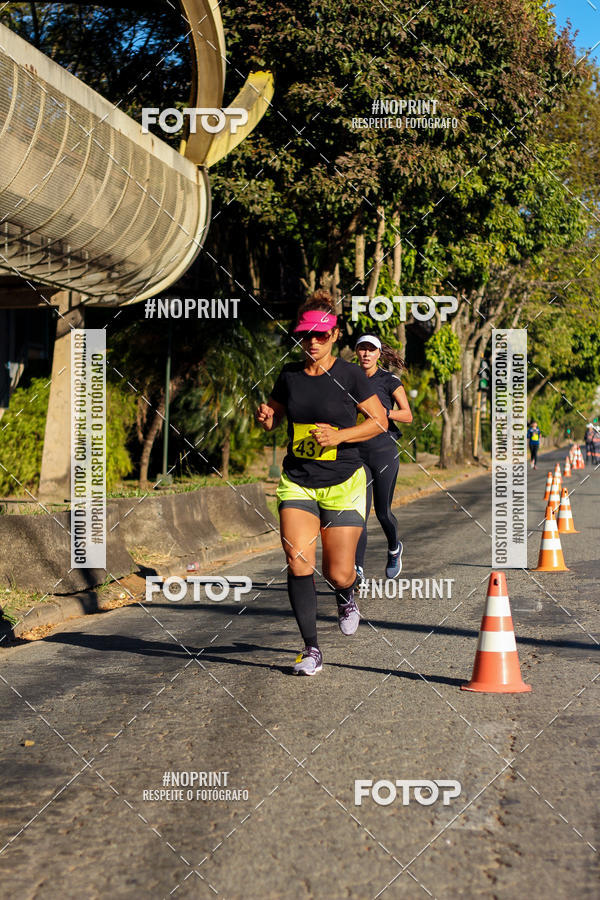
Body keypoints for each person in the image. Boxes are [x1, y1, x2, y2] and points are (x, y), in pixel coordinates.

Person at [255, 291, 388, 676]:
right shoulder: (290, 377)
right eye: (305, 336)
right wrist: (267, 418)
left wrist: (340, 436)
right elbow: (276, 417)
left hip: (344, 481)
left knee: (338, 572)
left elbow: (378, 421)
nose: (312, 342)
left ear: (335, 335)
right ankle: (311, 648)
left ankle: (346, 596)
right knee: (297, 561)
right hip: (298, 482)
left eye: (321, 335)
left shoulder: (350, 375)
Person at [354, 335, 413, 580]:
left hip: (384, 452)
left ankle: (393, 548)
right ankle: (356, 570)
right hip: (357, 453)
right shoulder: (350, 379)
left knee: (383, 512)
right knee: (358, 514)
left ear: (379, 354)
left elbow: (408, 415)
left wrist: (384, 412)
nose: (366, 354)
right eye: (362, 349)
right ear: (356, 352)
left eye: (371, 350)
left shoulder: (389, 380)